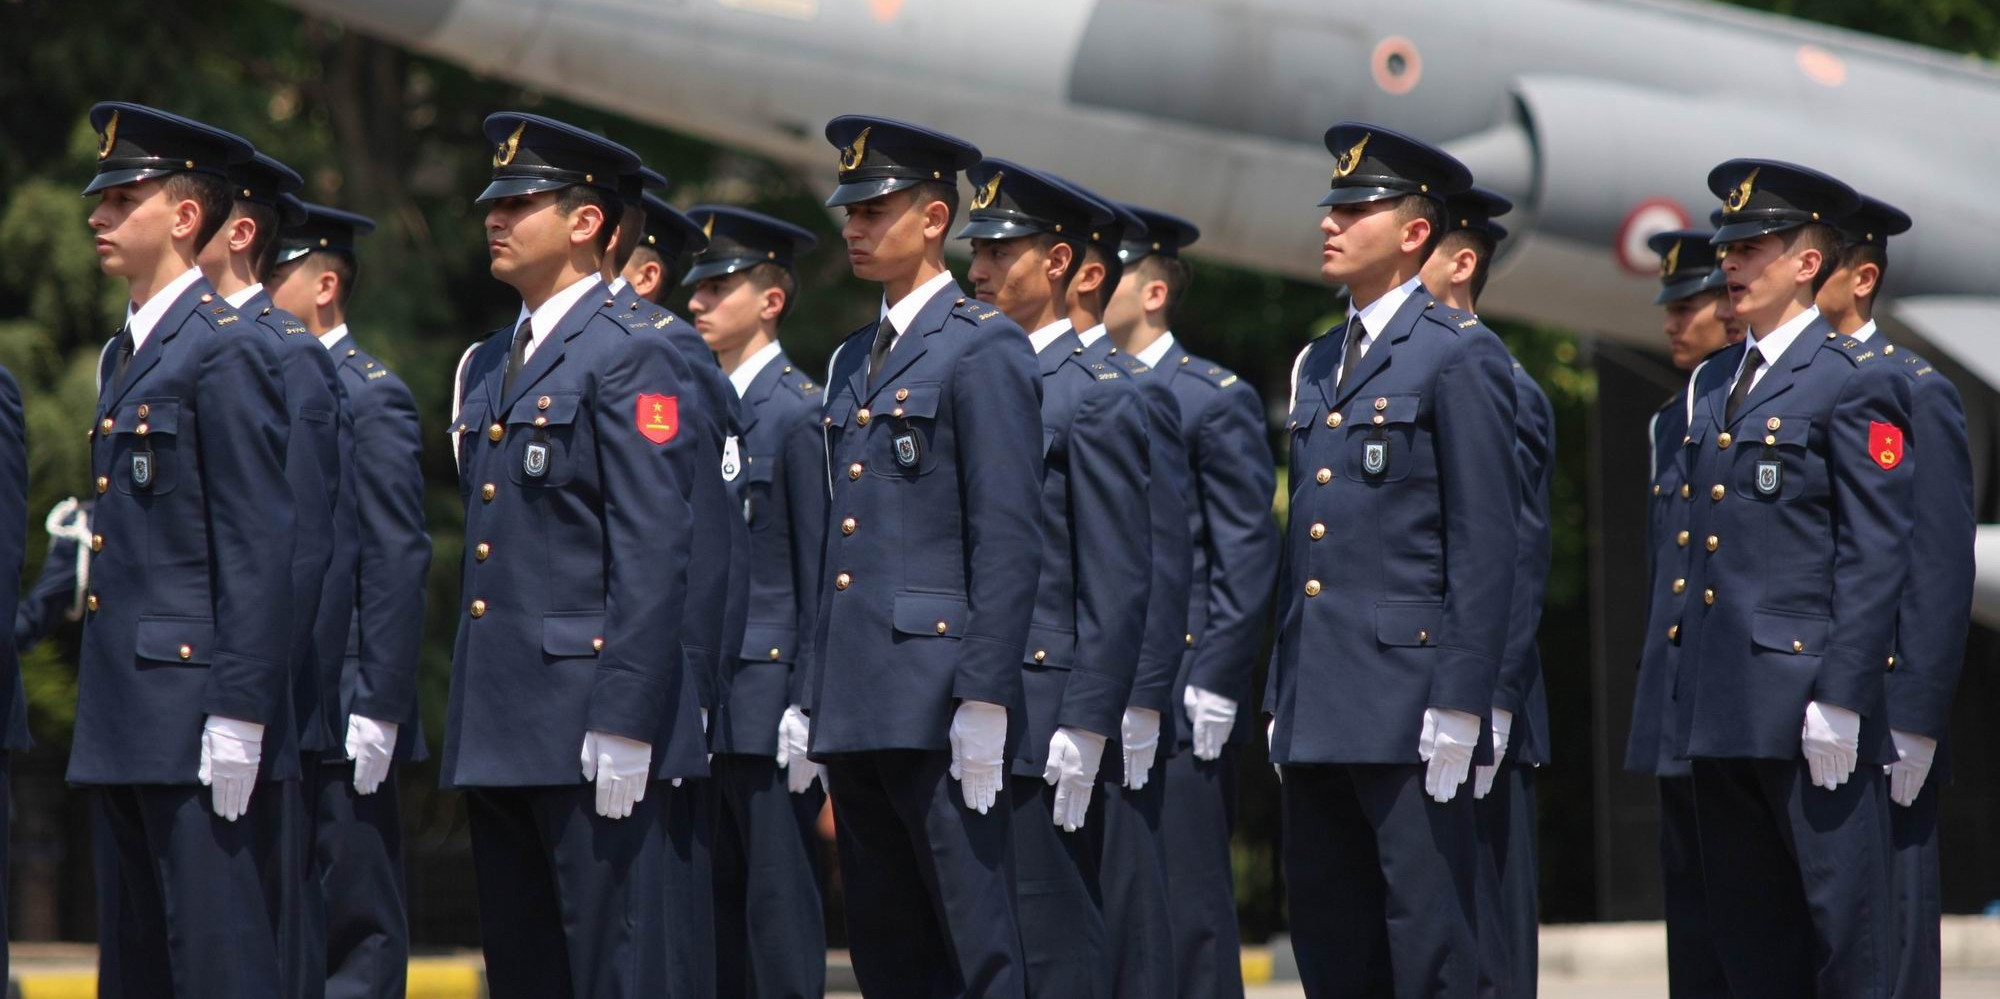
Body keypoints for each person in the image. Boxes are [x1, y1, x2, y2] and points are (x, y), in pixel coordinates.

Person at [444, 111, 707, 997]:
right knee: (527, 971)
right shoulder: (494, 363)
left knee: (615, 969)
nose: (496, 217)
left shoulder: (634, 349)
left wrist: (628, 717)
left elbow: (652, 545)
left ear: (587, 221)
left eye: (520, 202)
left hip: (590, 719)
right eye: (494, 201)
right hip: (505, 718)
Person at [1266, 122, 1519, 999]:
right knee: (1334, 941)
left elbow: (1487, 545)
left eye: (1356, 206)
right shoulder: (1321, 357)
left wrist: (1462, 700)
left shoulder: (1459, 354)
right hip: (1320, 699)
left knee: (1429, 942)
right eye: (1332, 204)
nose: (1331, 221)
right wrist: (1281, 693)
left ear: (1416, 233)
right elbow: (1312, 545)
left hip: (1411, 699)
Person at [808, 115, 1042, 996]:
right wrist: (814, 692)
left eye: (875, 208)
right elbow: (843, 539)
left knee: (976, 945)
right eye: (851, 209)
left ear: (936, 217)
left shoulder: (983, 345)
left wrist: (984, 696)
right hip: (861, 694)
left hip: (941, 696)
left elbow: (1008, 533)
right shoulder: (850, 360)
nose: (855, 226)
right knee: (887, 949)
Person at [78, 101, 301, 996]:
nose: (97, 214)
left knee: (214, 961)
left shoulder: (226, 349)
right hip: (126, 707)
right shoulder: (126, 352)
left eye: (122, 195)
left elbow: (258, 540)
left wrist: (240, 712)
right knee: (135, 967)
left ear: (183, 215)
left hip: (195, 710)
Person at [1671, 159, 1908, 998]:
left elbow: (1875, 552)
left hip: (1812, 709)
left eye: (1753, 245)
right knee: (1750, 942)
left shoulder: (1856, 377)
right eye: (1727, 244)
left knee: (1844, 941)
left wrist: (1843, 696)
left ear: (1809, 263)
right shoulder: (1722, 387)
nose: (1729, 261)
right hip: (1726, 704)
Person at [960, 159, 1151, 996]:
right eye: (979, 250)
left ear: (1071, 266)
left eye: (1005, 252)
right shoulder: (976, 373)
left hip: (1045, 714)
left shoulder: (1096, 394)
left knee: (1052, 941)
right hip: (972, 700)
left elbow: (1118, 577)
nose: (979, 270)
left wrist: (1088, 721)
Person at [1104, 202, 1278, 999]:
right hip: (1102, 679)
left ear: (1153, 292)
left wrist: (1215, 676)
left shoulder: (1212, 397)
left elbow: (1243, 552)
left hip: (1181, 687)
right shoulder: (1088, 388)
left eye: (1113, 272)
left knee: (1187, 905)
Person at [270, 198, 431, 999]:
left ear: (325, 283)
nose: (260, 289)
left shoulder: (371, 394)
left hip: (348, 701)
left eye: (277, 273)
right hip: (292, 692)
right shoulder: (264, 381)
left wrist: (380, 703)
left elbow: (396, 555)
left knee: (355, 922)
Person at [1816, 195, 1974, 999]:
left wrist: (1915, 712)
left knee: (1890, 941)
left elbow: (1937, 564)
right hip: (1813, 707)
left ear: (1860, 277)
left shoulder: (1914, 389)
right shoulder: (1787, 388)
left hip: (1883, 711)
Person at [680, 204, 832, 999]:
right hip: (705, 699)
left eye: (719, 286)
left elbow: (819, 570)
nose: (697, 301)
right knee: (710, 909)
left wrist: (808, 702)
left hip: (771, 701)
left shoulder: (800, 410)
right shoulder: (693, 404)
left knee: (777, 912)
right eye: (694, 288)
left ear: (771, 299)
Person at [1055, 179, 1192, 999]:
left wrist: (1141, 698)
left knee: (1124, 899)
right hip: (1037, 678)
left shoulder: (1130, 388)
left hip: (1102, 685)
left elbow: (1158, 553)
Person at [1421, 186, 1553, 998]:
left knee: (1481, 947)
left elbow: (1517, 551)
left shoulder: (1493, 375)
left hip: (1473, 704)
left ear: (1460, 261)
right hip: (1421, 693)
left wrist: (1491, 696)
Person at [1623, 226, 1737, 997]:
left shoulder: (1754, 397)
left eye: (1689, 303)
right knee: (1691, 917)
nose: (1672, 320)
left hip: (1740, 697)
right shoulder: (1670, 418)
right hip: (1676, 700)